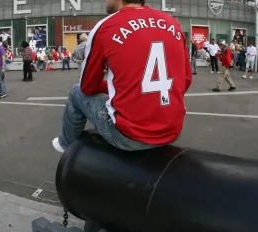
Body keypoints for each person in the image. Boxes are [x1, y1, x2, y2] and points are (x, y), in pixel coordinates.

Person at [52, 0, 192, 153]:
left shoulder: (106, 26)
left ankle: (66, 144)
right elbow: (185, 79)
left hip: (129, 136)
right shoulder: (172, 23)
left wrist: (110, 87)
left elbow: (87, 86)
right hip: (173, 131)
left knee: (76, 91)